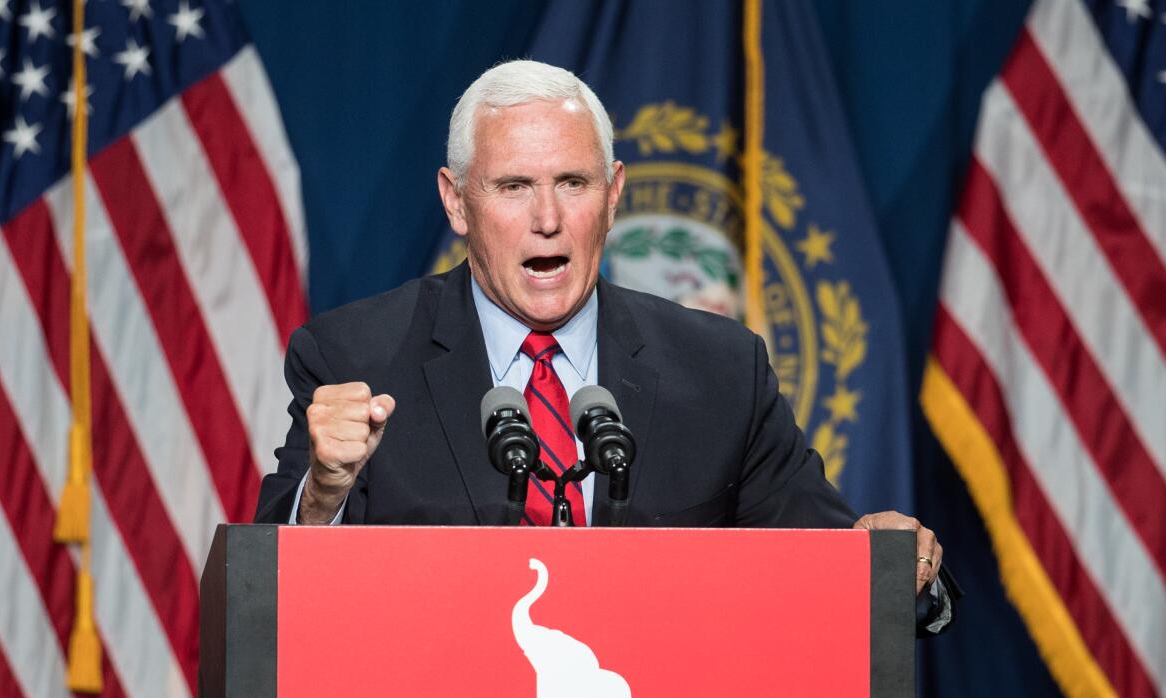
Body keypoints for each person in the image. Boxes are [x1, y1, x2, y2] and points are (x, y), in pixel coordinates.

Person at [255, 60, 953, 629]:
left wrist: (893, 564)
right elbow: (270, 606)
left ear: (614, 196)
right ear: (457, 202)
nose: (548, 219)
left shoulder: (721, 372)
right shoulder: (355, 358)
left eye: (573, 183)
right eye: (514, 187)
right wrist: (323, 493)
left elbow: (829, 573)